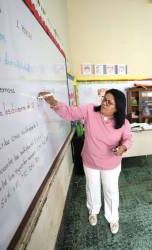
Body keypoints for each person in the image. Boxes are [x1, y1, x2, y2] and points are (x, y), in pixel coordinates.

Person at [39, 89, 132, 234]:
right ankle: (93, 210)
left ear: (117, 108)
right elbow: (70, 113)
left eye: (109, 102)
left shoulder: (123, 123)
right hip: (91, 160)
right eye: (104, 99)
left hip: (111, 163)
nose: (104, 103)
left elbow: (127, 139)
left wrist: (123, 147)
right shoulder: (90, 110)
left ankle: (113, 218)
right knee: (92, 186)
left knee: (111, 190)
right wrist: (54, 102)